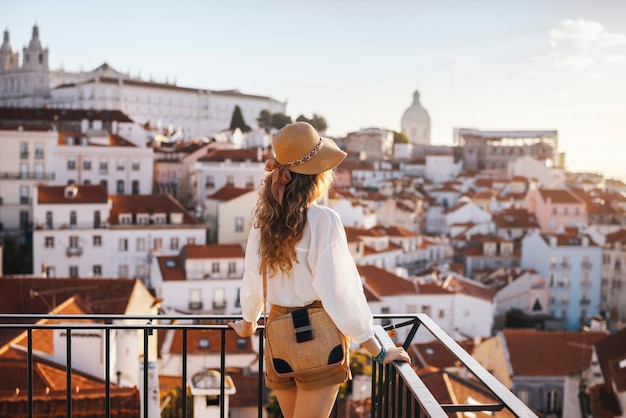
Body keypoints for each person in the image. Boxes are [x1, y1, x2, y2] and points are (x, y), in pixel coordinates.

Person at [228, 122, 411, 418]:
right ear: (316, 176)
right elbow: (339, 294)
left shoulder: (262, 224)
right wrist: (376, 350)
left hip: (277, 332)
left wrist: (248, 325)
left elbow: (252, 280)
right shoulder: (324, 221)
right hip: (319, 334)